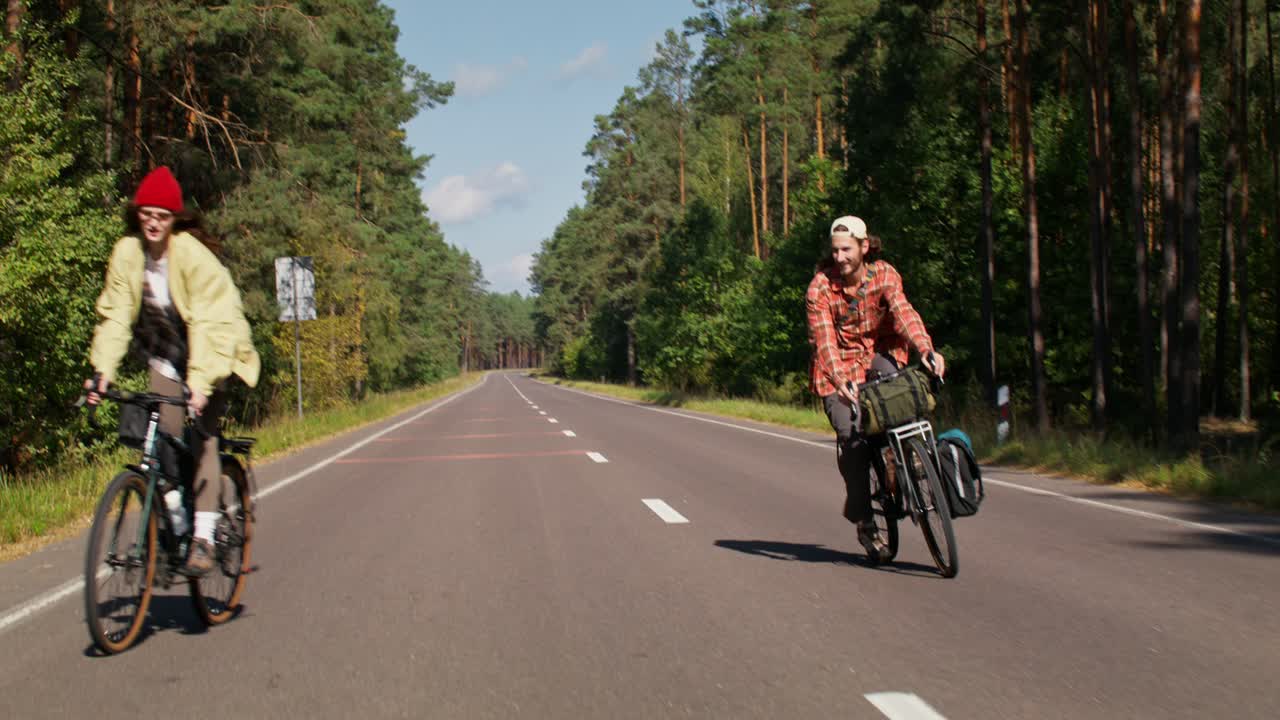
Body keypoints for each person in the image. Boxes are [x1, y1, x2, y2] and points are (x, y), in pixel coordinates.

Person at [85, 166, 260, 575]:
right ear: (138, 213)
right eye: (147, 212)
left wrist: (200, 385)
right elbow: (114, 317)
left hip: (214, 351)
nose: (153, 220)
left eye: (162, 215)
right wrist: (101, 372)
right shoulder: (128, 254)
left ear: (174, 220)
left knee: (202, 437)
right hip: (166, 356)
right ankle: (174, 520)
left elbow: (211, 324)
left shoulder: (193, 258)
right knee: (158, 441)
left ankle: (202, 536)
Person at [805, 215, 946, 561]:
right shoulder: (820, 288)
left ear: (864, 247)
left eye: (847, 250)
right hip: (838, 373)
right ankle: (866, 522)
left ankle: (908, 459)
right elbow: (824, 342)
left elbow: (905, 313)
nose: (840, 257)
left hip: (881, 356)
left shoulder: (884, 274)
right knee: (852, 439)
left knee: (901, 402)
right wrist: (840, 380)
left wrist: (926, 349)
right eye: (835, 250)